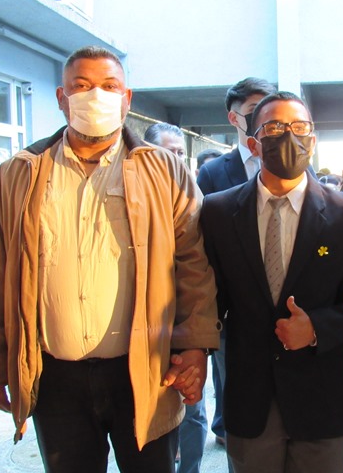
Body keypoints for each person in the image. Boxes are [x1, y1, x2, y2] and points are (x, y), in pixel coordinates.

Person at [0, 46, 220, 473]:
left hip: (145, 370)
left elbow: (194, 264)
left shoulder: (163, 171)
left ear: (127, 98)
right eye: (81, 86)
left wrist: (195, 346)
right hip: (55, 377)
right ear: (61, 97)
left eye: (109, 86)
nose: (95, 96)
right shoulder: (20, 173)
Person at [200, 91, 343, 473]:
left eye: (299, 127)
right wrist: (193, 351)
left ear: (312, 141)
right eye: (274, 127)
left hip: (323, 400)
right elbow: (206, 297)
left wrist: (318, 328)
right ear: (253, 143)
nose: (289, 136)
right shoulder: (218, 211)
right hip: (250, 399)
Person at [196, 77, 277, 451]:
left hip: (285, 299)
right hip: (234, 305)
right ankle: (233, 436)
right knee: (234, 383)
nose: (263, 117)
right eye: (253, 110)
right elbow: (203, 241)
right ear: (234, 118)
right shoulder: (214, 172)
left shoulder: (294, 162)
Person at [147, 125, 210, 473]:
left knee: (193, 411)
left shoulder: (191, 195)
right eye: (169, 152)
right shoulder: (136, 194)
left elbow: (198, 268)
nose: (177, 159)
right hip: (146, 332)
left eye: (181, 153)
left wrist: (197, 339)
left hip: (185, 327)